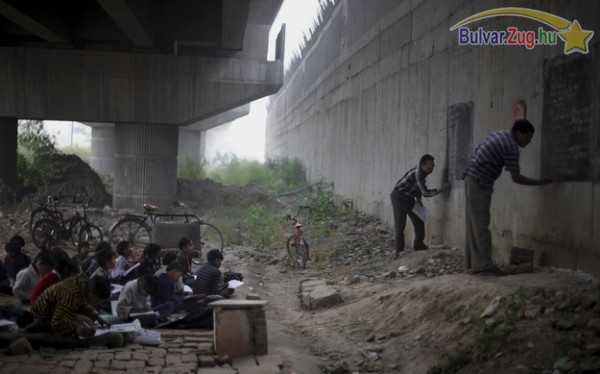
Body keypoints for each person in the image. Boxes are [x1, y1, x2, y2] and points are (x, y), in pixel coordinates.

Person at [463, 119, 552, 276]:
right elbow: (516, 178)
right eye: (528, 137)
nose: (529, 141)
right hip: (480, 183)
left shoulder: (499, 134)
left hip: (471, 177)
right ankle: (483, 266)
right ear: (519, 134)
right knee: (481, 224)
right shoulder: (511, 147)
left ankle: (473, 264)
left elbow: (478, 150)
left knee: (474, 223)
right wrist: (541, 182)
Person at [390, 154, 450, 256]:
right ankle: (399, 250)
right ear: (422, 165)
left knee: (419, 219)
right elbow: (425, 192)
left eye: (433, 166)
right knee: (401, 224)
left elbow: (417, 188)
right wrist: (440, 190)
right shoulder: (418, 173)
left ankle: (418, 245)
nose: (431, 169)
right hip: (399, 197)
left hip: (409, 197)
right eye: (429, 166)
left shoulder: (422, 174)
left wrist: (418, 200)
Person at [28, 274, 112, 338]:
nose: (97, 303)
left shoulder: (85, 284)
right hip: (42, 318)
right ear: (89, 291)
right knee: (81, 329)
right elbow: (57, 323)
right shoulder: (71, 294)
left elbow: (81, 304)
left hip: (58, 312)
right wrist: (81, 331)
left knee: (88, 321)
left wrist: (97, 317)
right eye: (97, 300)